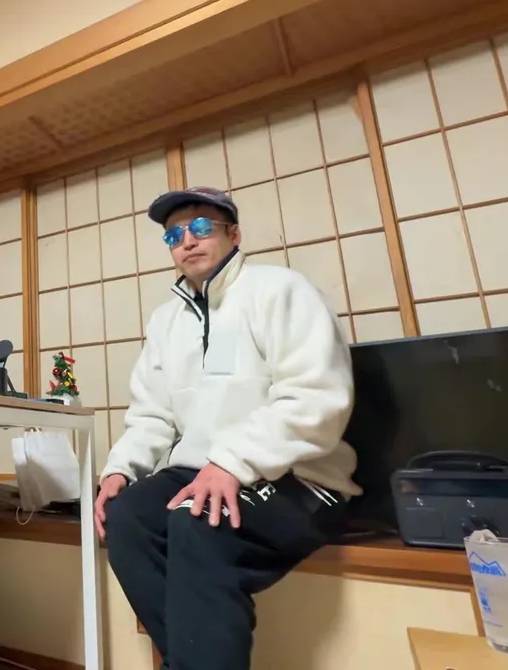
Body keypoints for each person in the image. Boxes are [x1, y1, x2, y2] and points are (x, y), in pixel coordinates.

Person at [94, 188, 360, 670]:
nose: (187, 241)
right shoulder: (166, 320)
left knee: (198, 521)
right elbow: (152, 414)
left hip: (298, 476)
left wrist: (233, 463)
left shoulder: (279, 290)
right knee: (127, 515)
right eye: (174, 235)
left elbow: (316, 397)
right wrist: (120, 470)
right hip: (203, 470)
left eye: (201, 227)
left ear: (233, 234)